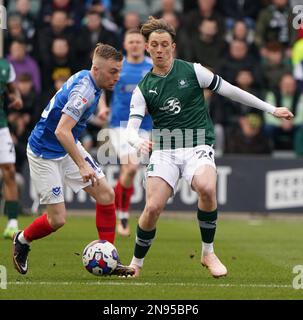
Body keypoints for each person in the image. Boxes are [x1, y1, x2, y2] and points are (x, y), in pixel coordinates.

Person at [125, 17, 293, 278]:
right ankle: (136, 263)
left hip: (197, 144)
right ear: (147, 47)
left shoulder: (193, 71)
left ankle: (208, 252)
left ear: (173, 47)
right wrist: (138, 141)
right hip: (165, 150)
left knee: (206, 187)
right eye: (154, 45)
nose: (159, 49)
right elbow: (130, 131)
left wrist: (272, 109)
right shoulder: (143, 89)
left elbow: (232, 91)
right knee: (152, 208)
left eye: (164, 44)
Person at [12, 43, 135, 277]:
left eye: (119, 71)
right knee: (57, 220)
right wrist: (81, 164)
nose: (117, 77)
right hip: (44, 152)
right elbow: (61, 131)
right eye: (113, 72)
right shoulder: (84, 91)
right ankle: (22, 239)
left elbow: (69, 127)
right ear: (96, 69)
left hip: (67, 145)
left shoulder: (89, 78)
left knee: (106, 195)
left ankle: (108, 255)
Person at [99, 29, 153, 237]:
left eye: (138, 42)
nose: (135, 45)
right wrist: (102, 107)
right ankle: (122, 214)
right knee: (131, 168)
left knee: (128, 171)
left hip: (145, 127)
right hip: (120, 125)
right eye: (131, 42)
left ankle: (119, 210)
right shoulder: (118, 66)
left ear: (144, 45)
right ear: (125, 44)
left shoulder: (151, 67)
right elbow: (102, 85)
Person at [0, 58, 23, 239]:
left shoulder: (5, 66)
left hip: (1, 126)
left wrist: (16, 97)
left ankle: (12, 223)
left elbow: (12, 87)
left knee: (9, 170)